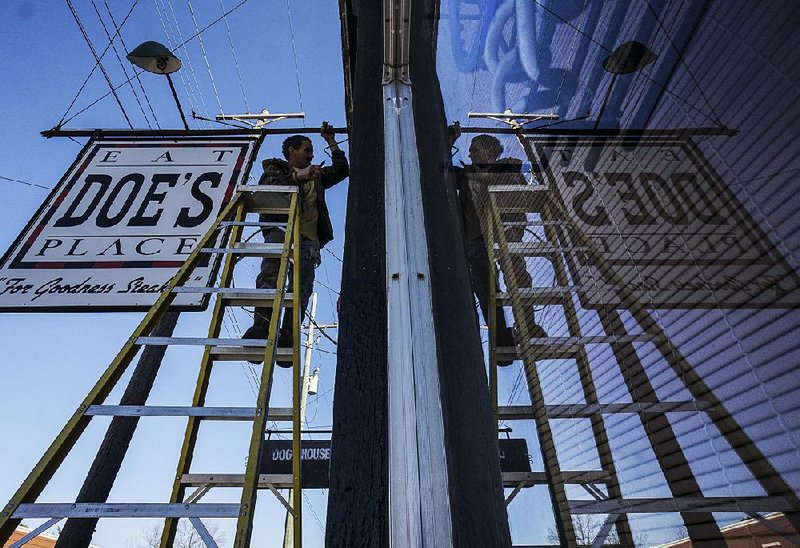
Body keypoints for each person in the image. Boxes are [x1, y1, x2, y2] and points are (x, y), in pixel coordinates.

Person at [242, 122, 348, 366]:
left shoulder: (317, 176)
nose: (311, 155)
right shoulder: (275, 168)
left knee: (301, 287)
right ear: (292, 151)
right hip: (281, 231)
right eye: (306, 150)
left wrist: (331, 141)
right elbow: (267, 188)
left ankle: (288, 335)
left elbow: (342, 169)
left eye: (311, 150)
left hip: (308, 239)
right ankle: (262, 329)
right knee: (270, 277)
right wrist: (298, 177)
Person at [449, 126, 547, 366]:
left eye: (474, 149)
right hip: (475, 238)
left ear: (490, 150)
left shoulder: (509, 166)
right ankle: (503, 341)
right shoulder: (465, 173)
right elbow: (438, 165)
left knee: (518, 277)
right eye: (470, 150)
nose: (470, 154)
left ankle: (527, 326)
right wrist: (448, 140)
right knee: (485, 289)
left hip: (505, 231)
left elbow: (521, 195)